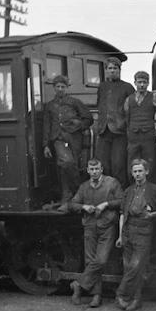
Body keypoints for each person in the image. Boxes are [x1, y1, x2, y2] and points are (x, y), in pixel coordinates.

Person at [68, 158, 124, 308]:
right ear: (87, 170)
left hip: (107, 225)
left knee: (101, 260)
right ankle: (96, 295)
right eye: (91, 169)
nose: (94, 172)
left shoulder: (112, 183)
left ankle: (78, 285)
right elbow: (72, 204)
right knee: (90, 261)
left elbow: (122, 200)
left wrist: (106, 204)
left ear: (102, 169)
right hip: (90, 226)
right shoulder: (84, 187)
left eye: (96, 169)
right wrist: (84, 207)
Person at [115, 159, 156, 311]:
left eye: (140, 171)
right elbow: (123, 214)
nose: (137, 174)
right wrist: (119, 236)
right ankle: (136, 300)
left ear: (147, 172)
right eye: (135, 171)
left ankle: (121, 294)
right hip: (128, 231)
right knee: (129, 267)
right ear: (132, 173)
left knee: (136, 266)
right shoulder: (128, 190)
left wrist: (154, 214)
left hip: (144, 231)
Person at [42, 75, 94, 212]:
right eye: (57, 87)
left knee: (70, 165)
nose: (60, 89)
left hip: (74, 138)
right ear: (54, 88)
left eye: (63, 87)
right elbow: (47, 126)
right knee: (66, 162)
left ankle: (67, 198)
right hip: (58, 138)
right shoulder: (49, 106)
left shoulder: (74, 102)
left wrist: (79, 125)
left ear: (67, 88)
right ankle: (77, 190)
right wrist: (46, 145)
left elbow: (88, 118)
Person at [96, 57, 135, 189]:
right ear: (106, 70)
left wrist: (123, 124)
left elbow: (132, 109)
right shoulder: (102, 87)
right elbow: (100, 105)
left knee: (118, 164)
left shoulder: (127, 87)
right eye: (110, 68)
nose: (112, 71)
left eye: (115, 68)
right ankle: (106, 193)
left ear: (119, 70)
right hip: (103, 130)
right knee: (103, 164)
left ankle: (120, 194)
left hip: (119, 131)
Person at [123, 71, 156, 183]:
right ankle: (133, 186)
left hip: (148, 136)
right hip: (133, 137)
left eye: (145, 82)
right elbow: (127, 117)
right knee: (132, 162)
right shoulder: (129, 99)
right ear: (135, 83)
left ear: (148, 83)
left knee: (150, 163)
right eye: (139, 82)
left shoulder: (154, 97)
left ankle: (149, 187)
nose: (142, 85)